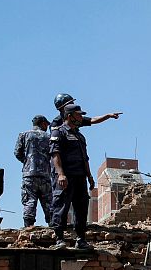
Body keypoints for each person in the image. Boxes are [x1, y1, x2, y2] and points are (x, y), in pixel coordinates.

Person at [49, 103, 120, 250]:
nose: (81, 117)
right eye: (79, 114)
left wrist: (89, 176)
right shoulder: (58, 132)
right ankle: (59, 239)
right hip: (66, 177)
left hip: (80, 177)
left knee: (81, 209)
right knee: (61, 207)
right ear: (69, 116)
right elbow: (55, 155)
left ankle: (81, 239)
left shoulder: (80, 135)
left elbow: (85, 158)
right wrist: (61, 174)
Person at [14, 115, 53, 227]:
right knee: (48, 203)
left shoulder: (24, 135)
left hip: (29, 174)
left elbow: (17, 153)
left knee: (29, 201)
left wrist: (27, 162)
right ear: (42, 123)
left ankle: (28, 228)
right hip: (45, 174)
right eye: (46, 124)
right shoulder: (49, 137)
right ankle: (53, 229)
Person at [50, 92, 122, 130]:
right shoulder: (56, 123)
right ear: (62, 108)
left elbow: (92, 120)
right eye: (70, 104)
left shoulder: (76, 118)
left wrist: (108, 116)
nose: (73, 105)